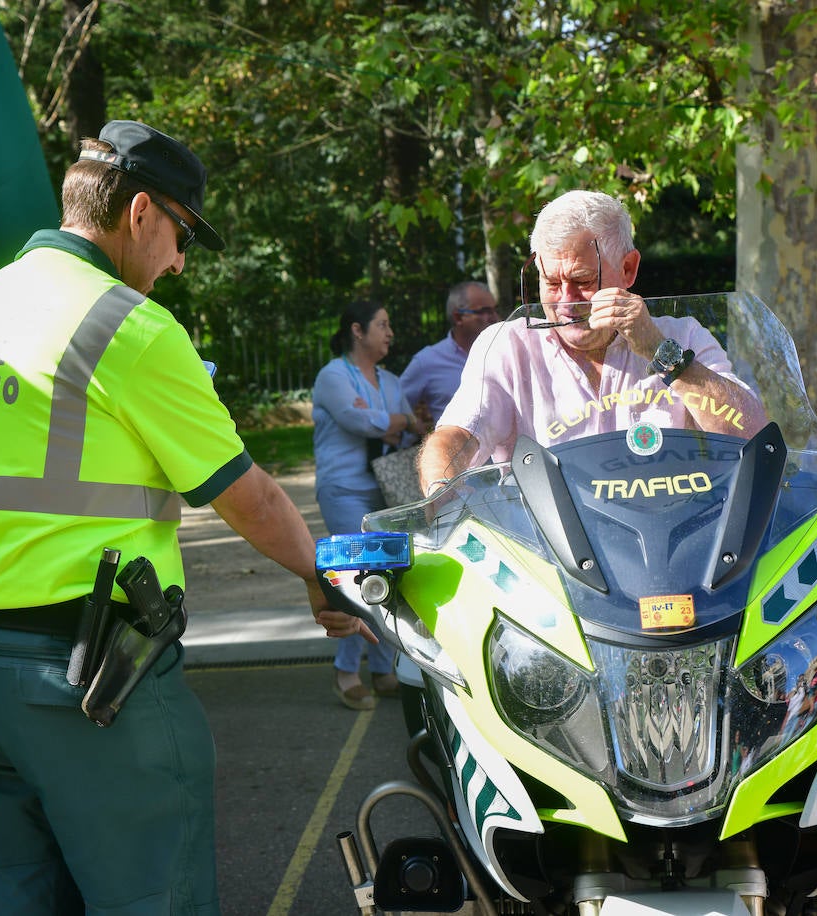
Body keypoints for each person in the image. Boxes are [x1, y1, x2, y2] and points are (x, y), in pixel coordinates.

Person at [0, 121, 371, 915]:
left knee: (17, 894)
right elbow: (249, 496)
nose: (180, 261)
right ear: (141, 212)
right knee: (155, 897)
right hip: (89, 685)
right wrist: (318, 574)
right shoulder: (128, 326)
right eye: (182, 233)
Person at [418, 190, 767, 492]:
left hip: (673, 539)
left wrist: (661, 353)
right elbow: (458, 436)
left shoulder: (683, 336)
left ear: (628, 270)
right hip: (546, 549)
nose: (566, 302)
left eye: (583, 281)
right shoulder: (508, 346)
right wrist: (438, 497)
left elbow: (751, 435)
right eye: (551, 284)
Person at [312, 300, 422, 710]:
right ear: (357, 331)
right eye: (382, 324)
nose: (390, 332)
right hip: (343, 489)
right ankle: (346, 673)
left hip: (382, 491)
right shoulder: (332, 376)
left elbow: (407, 425)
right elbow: (362, 423)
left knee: (386, 574)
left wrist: (391, 419)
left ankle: (382, 668)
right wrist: (392, 420)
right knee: (351, 576)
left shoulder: (391, 381)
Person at [399, 280, 500, 432]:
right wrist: (416, 431)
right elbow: (397, 406)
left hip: (509, 452)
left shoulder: (503, 353)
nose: (494, 317)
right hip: (456, 453)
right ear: (458, 318)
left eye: (494, 309)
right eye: (484, 311)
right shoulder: (427, 361)